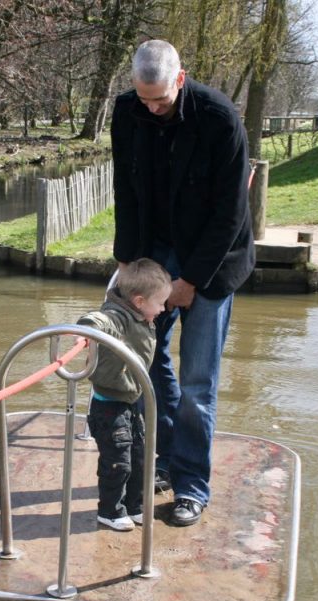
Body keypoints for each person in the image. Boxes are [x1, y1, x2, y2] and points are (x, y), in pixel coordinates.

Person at [110, 39, 255, 527]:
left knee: (198, 381)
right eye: (143, 98)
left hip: (212, 257)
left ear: (181, 78)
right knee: (147, 361)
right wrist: (127, 261)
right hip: (154, 252)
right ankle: (168, 458)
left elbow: (232, 212)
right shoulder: (127, 111)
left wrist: (193, 279)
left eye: (160, 100)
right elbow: (126, 189)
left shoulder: (219, 118)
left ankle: (192, 485)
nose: (150, 109)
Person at [78, 258, 172, 532]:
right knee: (118, 462)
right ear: (140, 301)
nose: (164, 309)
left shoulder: (141, 314)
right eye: (161, 303)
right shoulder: (119, 316)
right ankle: (109, 510)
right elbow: (101, 320)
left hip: (130, 401)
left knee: (140, 458)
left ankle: (135, 505)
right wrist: (86, 329)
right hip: (109, 406)